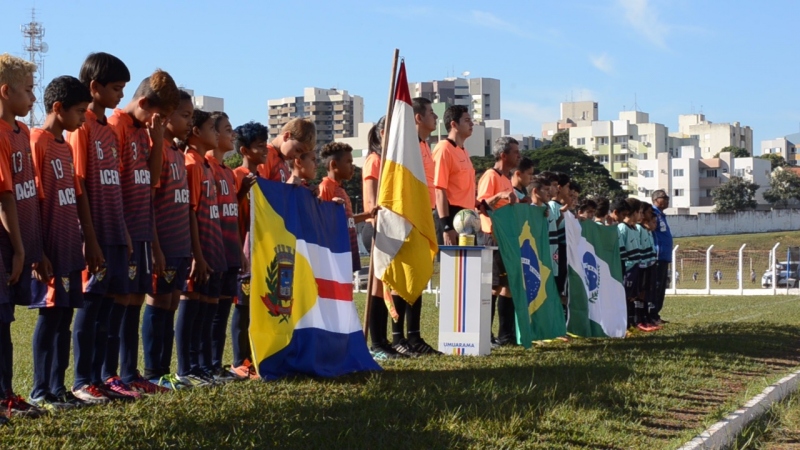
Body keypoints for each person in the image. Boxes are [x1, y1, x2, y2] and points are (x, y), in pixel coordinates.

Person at [105, 69, 180, 398]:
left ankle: (129, 372)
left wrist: (158, 137)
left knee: (134, 299)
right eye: (160, 115)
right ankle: (108, 374)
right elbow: (114, 184)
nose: (161, 121)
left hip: (141, 229)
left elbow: (151, 181)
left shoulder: (144, 131)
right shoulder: (117, 126)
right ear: (145, 102)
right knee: (117, 302)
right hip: (122, 229)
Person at [66, 52, 133, 404]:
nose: (121, 95)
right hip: (94, 235)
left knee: (109, 309)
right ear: (95, 88)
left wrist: (121, 230)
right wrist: (89, 237)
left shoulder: (109, 131)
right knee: (91, 306)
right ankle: (82, 380)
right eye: (116, 88)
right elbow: (78, 185)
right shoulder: (82, 129)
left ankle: (102, 377)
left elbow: (114, 184)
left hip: (114, 231)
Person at [27, 76, 93, 412]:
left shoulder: (65, 146)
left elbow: (74, 197)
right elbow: (33, 201)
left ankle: (58, 387)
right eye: (80, 111)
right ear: (58, 108)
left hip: (70, 246)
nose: (84, 117)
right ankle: (40, 390)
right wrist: (37, 251)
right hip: (50, 248)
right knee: (49, 317)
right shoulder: (35, 141)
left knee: (65, 317)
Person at [0, 54, 47, 418]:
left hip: (18, 243)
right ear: (6, 92)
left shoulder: (24, 132)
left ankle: (7, 396)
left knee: (5, 322)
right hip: (4, 244)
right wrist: (18, 250)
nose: (34, 98)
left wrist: (34, 247)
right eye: (29, 90)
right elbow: (5, 197)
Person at [145, 90, 193, 390]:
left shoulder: (178, 152)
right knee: (157, 299)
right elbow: (149, 199)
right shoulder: (158, 149)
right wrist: (155, 246)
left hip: (180, 244)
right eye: (184, 115)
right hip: (162, 241)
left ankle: (165, 371)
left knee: (172, 301)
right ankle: (152, 371)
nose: (189, 121)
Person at [387, 98, 442, 356]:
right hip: (408, 219)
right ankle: (398, 338)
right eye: (431, 113)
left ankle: (415, 337)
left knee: (419, 277)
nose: (435, 117)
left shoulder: (424, 146)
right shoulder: (407, 147)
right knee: (403, 279)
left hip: (424, 218)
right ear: (417, 118)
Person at [178, 110, 227, 387]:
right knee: (191, 305)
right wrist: (197, 253)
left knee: (207, 309)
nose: (218, 134)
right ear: (196, 131)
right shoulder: (192, 164)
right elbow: (191, 212)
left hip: (213, 246)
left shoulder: (205, 165)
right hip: (199, 249)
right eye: (212, 128)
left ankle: (202, 365)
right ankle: (186, 367)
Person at [207, 112, 244, 383]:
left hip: (230, 250)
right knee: (209, 314)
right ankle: (204, 365)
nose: (231, 135)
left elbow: (230, 210)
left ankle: (215, 365)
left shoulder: (228, 173)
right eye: (226, 129)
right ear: (212, 134)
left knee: (221, 311)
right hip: (212, 249)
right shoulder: (204, 165)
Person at [229, 122, 264, 379]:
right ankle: (238, 360)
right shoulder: (236, 175)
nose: (265, 150)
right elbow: (229, 208)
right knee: (242, 306)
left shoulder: (265, 179)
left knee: (257, 306)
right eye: (259, 146)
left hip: (262, 251)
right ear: (244, 150)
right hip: (242, 251)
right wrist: (242, 192)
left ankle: (254, 356)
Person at [477, 137, 519, 346]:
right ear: (503, 155)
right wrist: (500, 195)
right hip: (491, 235)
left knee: (507, 285)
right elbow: (481, 205)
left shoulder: (507, 177)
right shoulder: (490, 176)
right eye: (515, 152)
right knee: (493, 286)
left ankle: (506, 335)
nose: (518, 156)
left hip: (506, 237)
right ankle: (486, 333)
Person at [433, 105, 476, 246]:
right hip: (451, 215)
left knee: (470, 265)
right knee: (454, 266)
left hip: (467, 216)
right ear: (454, 124)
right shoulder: (444, 149)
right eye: (467, 120)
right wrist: (446, 226)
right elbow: (439, 189)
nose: (472, 124)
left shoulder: (464, 151)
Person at [258, 118, 315, 183]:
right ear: (287, 136)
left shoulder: (283, 161)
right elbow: (259, 188)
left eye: (301, 154)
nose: (297, 156)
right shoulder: (266, 156)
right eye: (297, 150)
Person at [636, 202, 660, 332]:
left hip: (649, 264)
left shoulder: (647, 230)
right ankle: (639, 319)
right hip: (642, 266)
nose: (651, 215)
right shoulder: (639, 229)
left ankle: (646, 317)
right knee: (640, 293)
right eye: (649, 212)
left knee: (646, 292)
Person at [617, 198, 641, 329]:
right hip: (628, 268)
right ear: (634, 212)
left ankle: (631, 322)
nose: (641, 216)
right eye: (640, 212)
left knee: (632, 296)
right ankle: (623, 324)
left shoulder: (634, 229)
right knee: (625, 296)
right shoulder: (622, 228)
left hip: (636, 266)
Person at [651, 190, 672, 325]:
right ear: (655, 199)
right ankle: (652, 315)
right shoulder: (653, 215)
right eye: (663, 198)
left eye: (667, 198)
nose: (667, 200)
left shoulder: (661, 215)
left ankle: (656, 315)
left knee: (662, 287)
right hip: (657, 256)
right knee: (656, 286)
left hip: (664, 256)